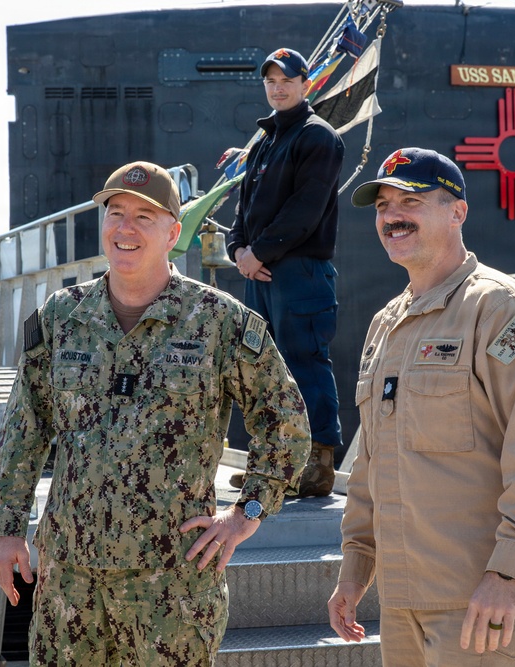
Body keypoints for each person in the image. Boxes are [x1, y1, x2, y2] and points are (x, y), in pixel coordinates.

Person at [0, 160, 311, 666]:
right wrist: (8, 527)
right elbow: (24, 430)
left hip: (172, 591)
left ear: (173, 232)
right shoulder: (61, 318)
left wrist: (246, 513)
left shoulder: (218, 320)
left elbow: (284, 423)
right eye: (116, 212)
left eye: (145, 216)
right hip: (71, 586)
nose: (125, 228)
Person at [327, 147, 515, 665]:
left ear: (457, 212)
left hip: (485, 608)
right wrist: (355, 569)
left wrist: (510, 573)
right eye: (382, 205)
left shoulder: (497, 310)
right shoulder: (386, 326)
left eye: (411, 200)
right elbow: (372, 468)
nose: (392, 215)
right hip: (404, 610)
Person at [226, 47, 345, 497]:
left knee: (304, 363)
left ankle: (316, 466)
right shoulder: (264, 141)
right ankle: (274, 464)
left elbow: (305, 210)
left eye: (287, 80)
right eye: (271, 81)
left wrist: (259, 252)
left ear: (305, 84)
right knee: (264, 371)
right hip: (260, 271)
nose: (278, 88)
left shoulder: (318, 137)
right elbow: (245, 207)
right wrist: (239, 249)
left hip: (298, 271)